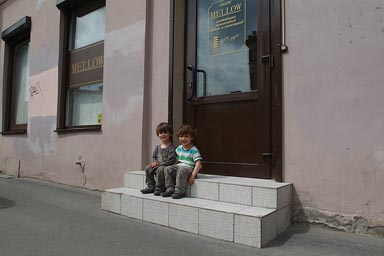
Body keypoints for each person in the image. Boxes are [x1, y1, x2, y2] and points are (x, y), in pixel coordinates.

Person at [161, 124, 202, 199]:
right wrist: (172, 167)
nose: (183, 138)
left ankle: (180, 191)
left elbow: (198, 163)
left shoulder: (194, 150)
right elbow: (176, 160)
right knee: (168, 169)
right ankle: (170, 189)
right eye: (181, 136)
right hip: (180, 167)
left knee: (181, 169)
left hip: (190, 169)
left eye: (186, 136)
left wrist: (193, 176)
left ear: (191, 138)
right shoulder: (179, 148)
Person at [140, 122, 176, 195]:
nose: (162, 134)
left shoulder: (171, 147)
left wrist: (160, 164)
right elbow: (154, 156)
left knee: (160, 169)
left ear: (170, 134)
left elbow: (171, 160)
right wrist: (155, 162)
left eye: (165, 132)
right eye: (160, 133)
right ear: (158, 135)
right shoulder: (158, 147)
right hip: (158, 165)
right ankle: (151, 186)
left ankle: (160, 187)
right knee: (148, 168)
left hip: (166, 166)